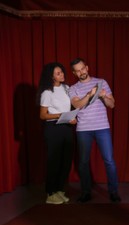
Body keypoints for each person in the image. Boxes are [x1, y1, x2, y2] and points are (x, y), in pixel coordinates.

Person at [69, 58, 121, 203]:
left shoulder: (101, 82)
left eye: (82, 69)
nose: (81, 72)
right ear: (74, 73)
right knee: (83, 162)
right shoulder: (73, 88)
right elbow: (77, 104)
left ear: (87, 68)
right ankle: (86, 192)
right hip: (83, 129)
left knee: (109, 160)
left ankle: (113, 192)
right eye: (77, 71)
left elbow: (112, 105)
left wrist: (104, 95)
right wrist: (89, 94)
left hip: (102, 127)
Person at [37, 62, 76, 204]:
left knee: (65, 161)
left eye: (62, 72)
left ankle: (59, 190)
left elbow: (72, 106)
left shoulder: (67, 88)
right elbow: (43, 115)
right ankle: (50, 193)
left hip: (66, 127)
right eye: (58, 73)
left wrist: (71, 117)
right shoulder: (47, 92)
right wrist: (61, 115)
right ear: (51, 76)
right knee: (54, 161)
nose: (62, 75)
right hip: (53, 129)